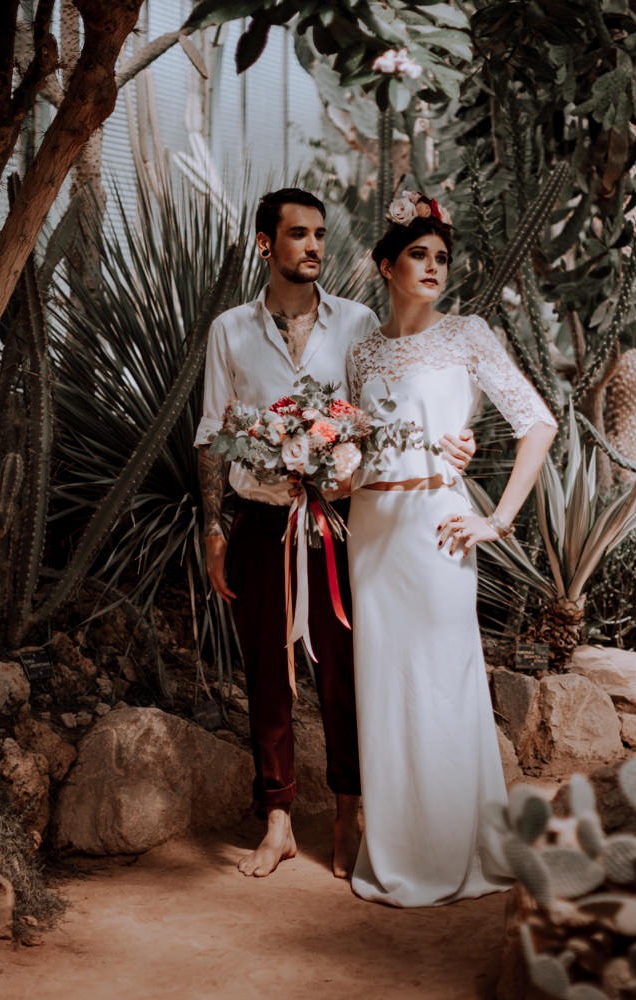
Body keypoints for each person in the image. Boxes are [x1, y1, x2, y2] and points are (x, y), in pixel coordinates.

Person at [195, 188, 476, 879]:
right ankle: (280, 821)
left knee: (346, 675)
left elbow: (396, 401)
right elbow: (210, 433)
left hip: (340, 528)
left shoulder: (356, 325)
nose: (314, 245)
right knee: (266, 674)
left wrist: (451, 443)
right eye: (298, 234)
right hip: (259, 522)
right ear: (267, 244)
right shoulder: (229, 331)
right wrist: (212, 527)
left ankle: (351, 815)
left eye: (320, 234)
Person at [346, 191, 557, 907]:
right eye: (418, 254)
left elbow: (538, 423)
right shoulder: (363, 351)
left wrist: (496, 519)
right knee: (386, 685)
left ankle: (456, 852)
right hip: (371, 529)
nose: (433, 266)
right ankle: (398, 851)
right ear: (385, 266)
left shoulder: (467, 334)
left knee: (442, 682)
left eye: (441, 256)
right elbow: (354, 447)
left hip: (438, 524)